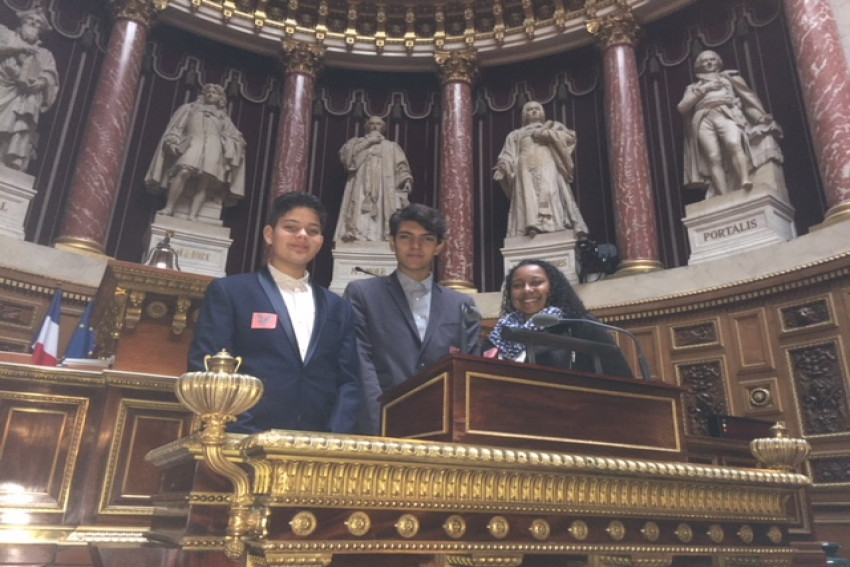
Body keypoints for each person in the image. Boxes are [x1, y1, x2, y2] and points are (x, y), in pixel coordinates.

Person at [189, 192, 362, 433]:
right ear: (269, 234)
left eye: (312, 231)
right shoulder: (232, 292)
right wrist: (245, 433)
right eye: (291, 227)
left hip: (317, 446)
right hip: (244, 439)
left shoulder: (338, 307)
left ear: (321, 241)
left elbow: (349, 381)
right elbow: (207, 366)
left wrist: (334, 437)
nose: (302, 236)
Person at [343, 203, 482, 435]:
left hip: (441, 429)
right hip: (379, 424)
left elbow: (469, 370)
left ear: (439, 247)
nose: (416, 246)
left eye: (427, 239)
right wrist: (380, 425)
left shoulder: (461, 304)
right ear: (392, 242)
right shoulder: (362, 294)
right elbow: (360, 363)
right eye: (406, 237)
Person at [485, 259, 633, 378]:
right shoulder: (500, 334)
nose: (527, 290)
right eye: (517, 285)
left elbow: (619, 377)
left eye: (536, 283)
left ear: (552, 287)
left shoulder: (578, 325)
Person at [677, 50, 784, 199]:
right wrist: (704, 90)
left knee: (733, 143)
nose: (708, 63)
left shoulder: (728, 79)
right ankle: (723, 194)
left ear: (718, 62)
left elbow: (747, 100)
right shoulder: (693, 87)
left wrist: (759, 117)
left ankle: (744, 179)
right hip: (703, 119)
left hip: (727, 113)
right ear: (698, 65)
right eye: (704, 61)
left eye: (712, 60)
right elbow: (682, 107)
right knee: (713, 156)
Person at [145, 83, 246, 221]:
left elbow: (236, 137)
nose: (210, 94)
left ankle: (193, 215)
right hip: (193, 143)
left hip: (213, 148)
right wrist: (173, 141)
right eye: (208, 92)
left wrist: (234, 144)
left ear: (220, 98)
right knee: (183, 171)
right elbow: (176, 128)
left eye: (214, 93)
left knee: (204, 182)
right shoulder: (190, 109)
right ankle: (169, 207)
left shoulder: (224, 118)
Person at [493, 101, 588, 238]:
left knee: (549, 190)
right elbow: (508, 154)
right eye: (529, 109)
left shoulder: (554, 127)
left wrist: (547, 134)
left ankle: (552, 224)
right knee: (527, 195)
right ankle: (531, 224)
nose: (533, 111)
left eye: (537, 108)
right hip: (524, 166)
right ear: (524, 115)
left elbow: (570, 138)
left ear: (542, 112)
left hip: (547, 162)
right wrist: (504, 166)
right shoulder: (515, 134)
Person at [334, 115, 413, 242]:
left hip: (383, 185)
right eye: (372, 124)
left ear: (383, 128)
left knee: (384, 210)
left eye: (379, 124)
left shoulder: (391, 146)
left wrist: (406, 180)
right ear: (366, 126)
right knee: (357, 210)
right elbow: (347, 161)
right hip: (360, 184)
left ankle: (381, 236)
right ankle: (355, 235)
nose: (375, 126)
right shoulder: (355, 143)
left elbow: (401, 166)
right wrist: (368, 142)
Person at [0, 3, 59, 171]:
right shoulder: (5, 35)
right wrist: (18, 48)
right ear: (23, 21)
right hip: (2, 87)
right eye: (31, 20)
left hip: (22, 98)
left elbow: (50, 76)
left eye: (38, 23)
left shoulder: (44, 54)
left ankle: (8, 159)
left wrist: (40, 82)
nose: (34, 24)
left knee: (23, 115)